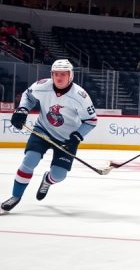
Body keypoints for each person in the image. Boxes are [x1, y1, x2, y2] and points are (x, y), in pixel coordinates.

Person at [1, 59, 97, 212]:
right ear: (52, 74)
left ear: (71, 75)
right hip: (43, 130)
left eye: (63, 74)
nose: (59, 77)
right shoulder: (42, 86)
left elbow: (91, 121)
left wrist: (77, 137)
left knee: (59, 175)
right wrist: (22, 109)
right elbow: (28, 95)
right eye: (56, 74)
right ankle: (15, 196)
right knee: (29, 160)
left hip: (67, 139)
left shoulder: (80, 96)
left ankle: (47, 181)